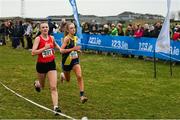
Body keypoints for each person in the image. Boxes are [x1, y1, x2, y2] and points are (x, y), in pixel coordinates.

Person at [31, 22, 62, 115]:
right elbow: (33, 52)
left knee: (53, 87)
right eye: (43, 27)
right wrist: (44, 48)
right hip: (41, 65)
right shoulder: (38, 39)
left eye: (46, 27)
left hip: (51, 64)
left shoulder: (51, 38)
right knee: (42, 86)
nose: (45, 29)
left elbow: (55, 45)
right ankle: (37, 84)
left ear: (48, 28)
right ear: (40, 29)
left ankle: (56, 108)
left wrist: (61, 49)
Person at [60, 22, 88, 103]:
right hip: (66, 62)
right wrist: (73, 49)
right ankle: (62, 75)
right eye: (71, 28)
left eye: (74, 28)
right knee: (68, 80)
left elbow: (74, 47)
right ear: (68, 30)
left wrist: (77, 50)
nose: (73, 29)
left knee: (79, 76)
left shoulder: (75, 37)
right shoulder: (67, 38)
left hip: (75, 60)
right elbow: (61, 50)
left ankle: (82, 96)